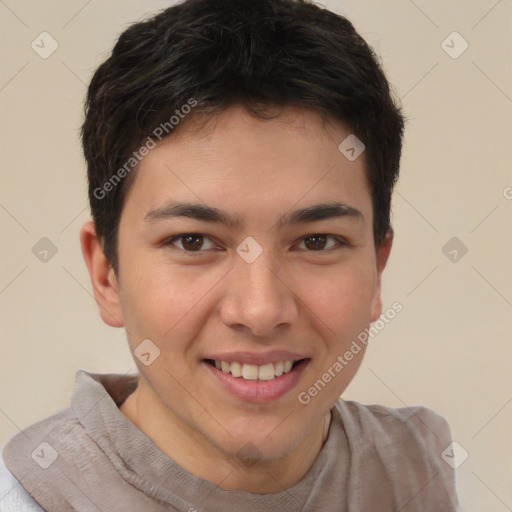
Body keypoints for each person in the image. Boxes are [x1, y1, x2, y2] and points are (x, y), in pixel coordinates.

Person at [1, 0, 461, 510]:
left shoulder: (421, 465)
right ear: (107, 274)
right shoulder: (26, 496)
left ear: (377, 270)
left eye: (316, 241)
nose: (261, 310)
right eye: (193, 241)